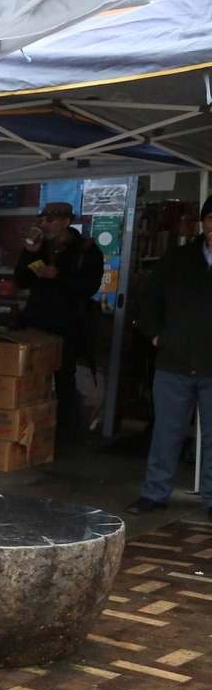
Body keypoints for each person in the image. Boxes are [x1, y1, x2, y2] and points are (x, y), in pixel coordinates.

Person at [127, 195, 212, 516]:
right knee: (166, 434)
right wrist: (155, 334)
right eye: (211, 219)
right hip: (174, 363)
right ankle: (154, 493)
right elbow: (148, 298)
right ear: (202, 223)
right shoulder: (178, 259)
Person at [14, 201, 104, 435]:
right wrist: (29, 252)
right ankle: (29, 429)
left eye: (50, 220)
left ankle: (64, 433)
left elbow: (90, 287)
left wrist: (59, 276)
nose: (44, 224)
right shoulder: (40, 245)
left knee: (64, 378)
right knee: (31, 377)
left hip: (67, 325)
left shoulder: (86, 249)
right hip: (35, 323)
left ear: (65, 222)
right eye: (42, 219)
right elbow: (21, 280)